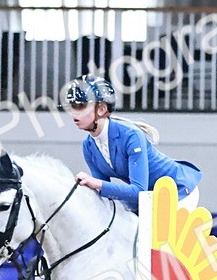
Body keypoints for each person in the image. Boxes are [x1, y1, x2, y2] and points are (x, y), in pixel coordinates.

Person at [65, 75, 202, 212]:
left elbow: (138, 190)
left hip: (178, 190)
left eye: (81, 106)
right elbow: (104, 196)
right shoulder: (88, 147)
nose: (73, 113)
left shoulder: (131, 135)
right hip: (147, 197)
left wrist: (96, 183)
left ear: (101, 110)